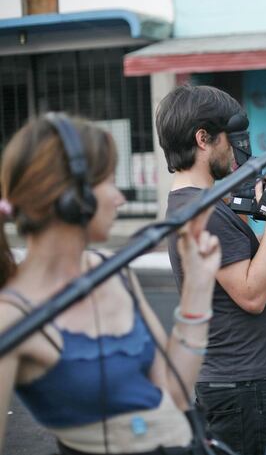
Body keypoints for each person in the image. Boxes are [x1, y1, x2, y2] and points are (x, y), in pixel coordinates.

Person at [0, 114, 221, 455]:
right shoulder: (11, 316)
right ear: (73, 197)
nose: (119, 198)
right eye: (109, 181)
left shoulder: (111, 269)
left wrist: (198, 287)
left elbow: (173, 393)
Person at [156, 84, 266, 455]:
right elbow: (251, 295)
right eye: (227, 139)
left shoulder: (195, 204)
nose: (234, 150)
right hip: (243, 389)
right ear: (203, 139)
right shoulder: (205, 212)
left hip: (233, 385)